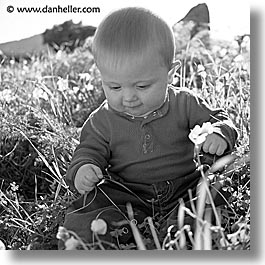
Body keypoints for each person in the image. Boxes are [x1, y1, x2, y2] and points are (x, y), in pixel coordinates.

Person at [59, 7, 238, 249]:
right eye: (114, 87)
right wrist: (84, 168)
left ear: (170, 74)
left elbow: (220, 118)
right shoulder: (101, 120)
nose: (128, 97)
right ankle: (100, 243)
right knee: (89, 217)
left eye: (142, 86)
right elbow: (88, 150)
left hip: (184, 186)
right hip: (127, 194)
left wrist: (219, 133)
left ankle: (178, 232)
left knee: (217, 192)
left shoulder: (184, 102)